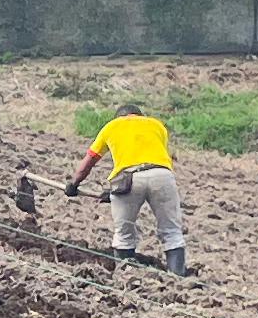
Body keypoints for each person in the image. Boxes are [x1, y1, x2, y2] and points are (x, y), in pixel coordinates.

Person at [64, 106, 187, 273]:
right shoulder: (157, 125)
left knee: (124, 232)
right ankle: (177, 277)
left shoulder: (112, 126)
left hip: (128, 178)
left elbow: (90, 160)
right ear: (140, 116)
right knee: (172, 231)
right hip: (162, 175)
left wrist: (74, 184)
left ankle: (126, 275)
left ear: (119, 117)